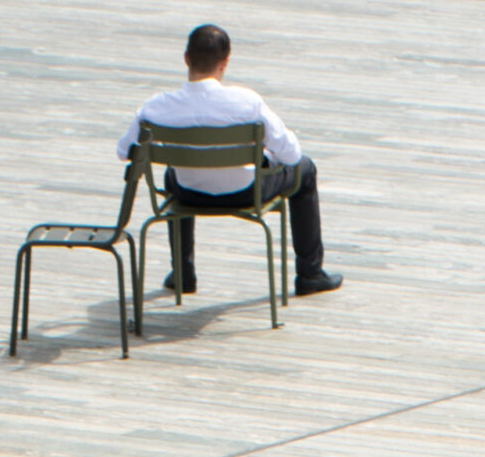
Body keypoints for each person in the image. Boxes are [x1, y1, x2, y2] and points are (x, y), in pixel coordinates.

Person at [115, 24, 341, 298]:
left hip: (189, 193)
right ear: (225, 62)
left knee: (172, 175)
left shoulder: (155, 106)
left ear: (186, 58)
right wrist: (266, 158)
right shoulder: (247, 102)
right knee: (305, 169)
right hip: (244, 193)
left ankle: (183, 274)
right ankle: (310, 275)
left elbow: (124, 151)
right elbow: (291, 154)